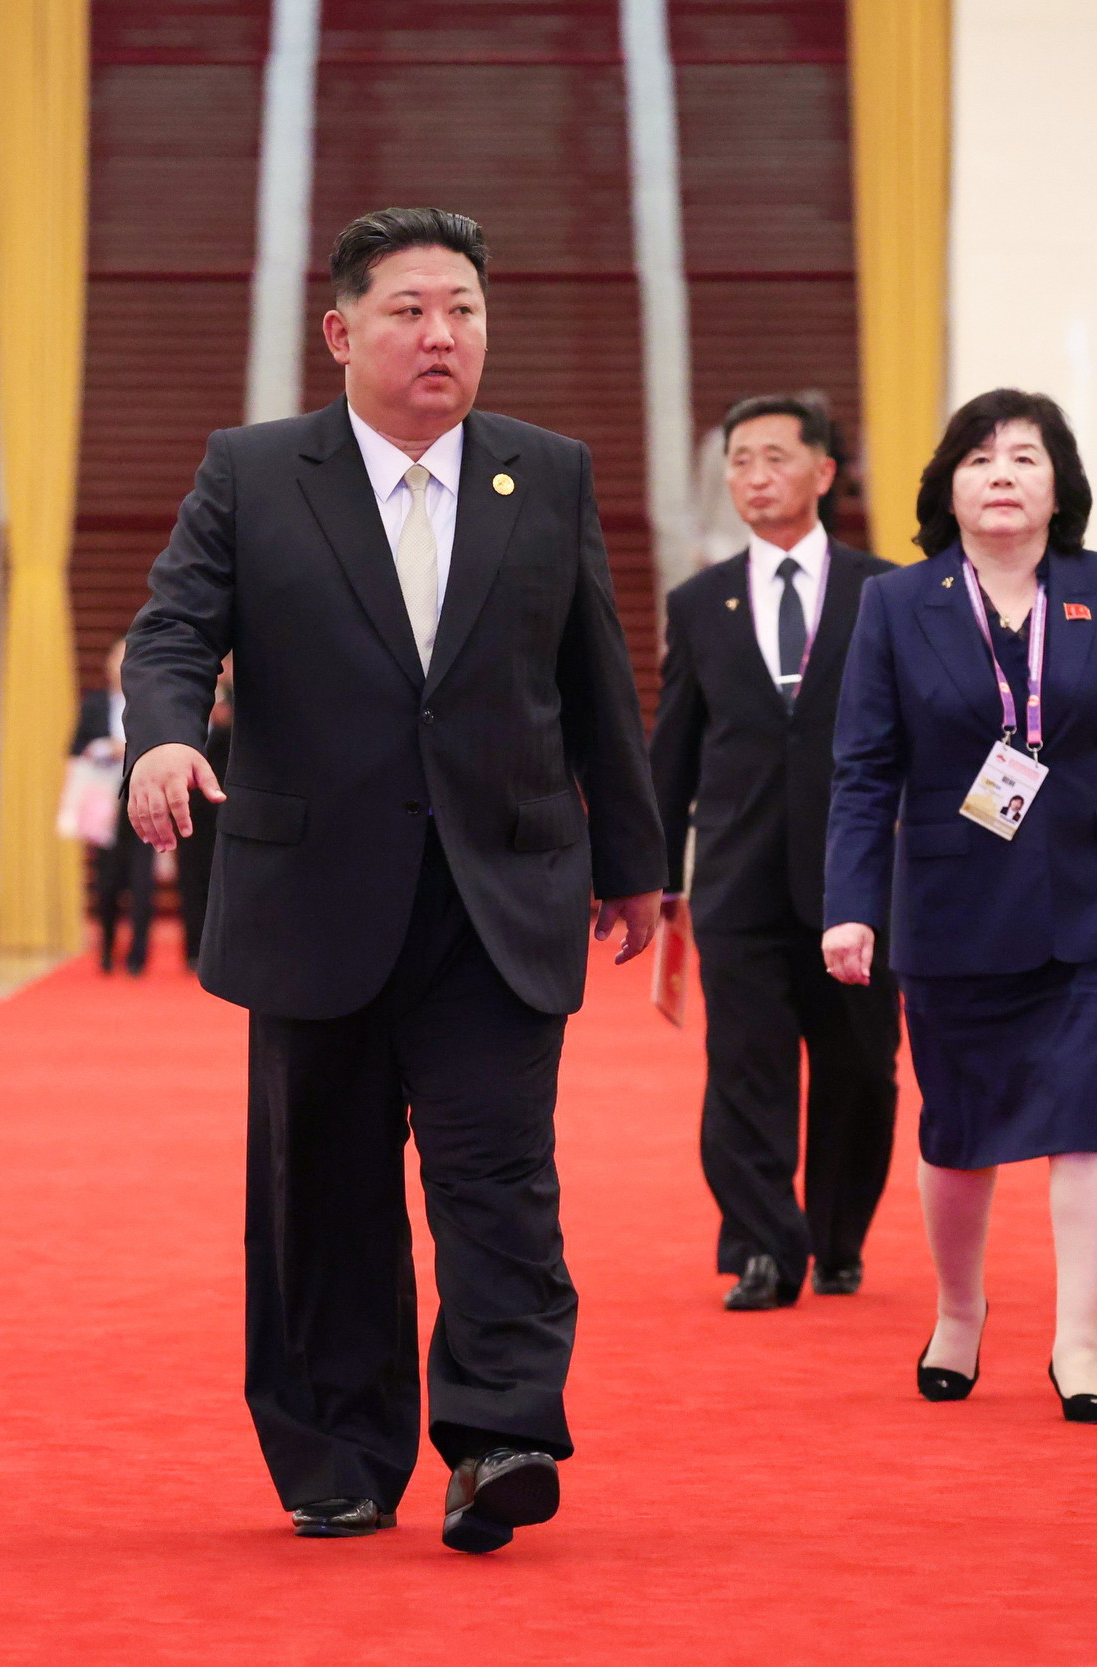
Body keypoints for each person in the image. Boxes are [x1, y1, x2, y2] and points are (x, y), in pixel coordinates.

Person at [124, 208, 660, 1551]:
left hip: (500, 891)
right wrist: (168, 735)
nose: (442, 335)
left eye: (464, 309)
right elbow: (174, 628)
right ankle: (338, 1452)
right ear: (340, 330)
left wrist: (636, 859)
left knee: (499, 1173)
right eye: (411, 309)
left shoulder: (545, 472)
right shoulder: (255, 472)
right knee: (325, 1185)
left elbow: (594, 674)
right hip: (316, 892)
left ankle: (500, 1435)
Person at [822, 388, 1097, 1424]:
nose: (1001, 474)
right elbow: (864, 768)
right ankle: (959, 1312)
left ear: (1060, 487)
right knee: (958, 1128)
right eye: (979, 458)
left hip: (1094, 899)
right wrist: (849, 903)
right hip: (951, 903)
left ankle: (1078, 1341)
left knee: (1087, 1111)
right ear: (947, 488)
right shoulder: (897, 603)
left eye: (1025, 458)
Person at [650, 393, 901, 1312]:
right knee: (744, 1068)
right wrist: (650, 873)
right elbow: (674, 747)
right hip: (738, 878)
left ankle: (838, 1238)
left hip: (858, 883)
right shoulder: (700, 603)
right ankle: (761, 1244)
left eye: (775, 458)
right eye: (739, 461)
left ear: (824, 472)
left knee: (860, 1070)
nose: (754, 477)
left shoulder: (887, 592)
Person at [72, 638, 153, 974]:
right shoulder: (95, 705)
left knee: (142, 881)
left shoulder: (149, 705)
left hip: (142, 798)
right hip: (105, 802)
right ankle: (106, 948)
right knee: (107, 881)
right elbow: (76, 747)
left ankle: (138, 955)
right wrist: (106, 748)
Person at [174, 667, 234, 970]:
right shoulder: (185, 705)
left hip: (227, 811)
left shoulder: (235, 707)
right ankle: (193, 950)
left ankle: (225, 950)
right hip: (190, 809)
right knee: (191, 879)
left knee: (224, 881)